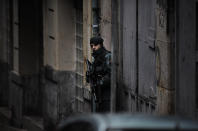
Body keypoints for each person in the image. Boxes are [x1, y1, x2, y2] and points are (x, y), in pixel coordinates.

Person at [86, 36, 111, 112]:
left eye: (95, 45)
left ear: (100, 44)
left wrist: (99, 82)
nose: (93, 47)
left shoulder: (107, 56)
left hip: (106, 94)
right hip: (97, 93)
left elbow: (111, 75)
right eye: (91, 46)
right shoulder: (96, 57)